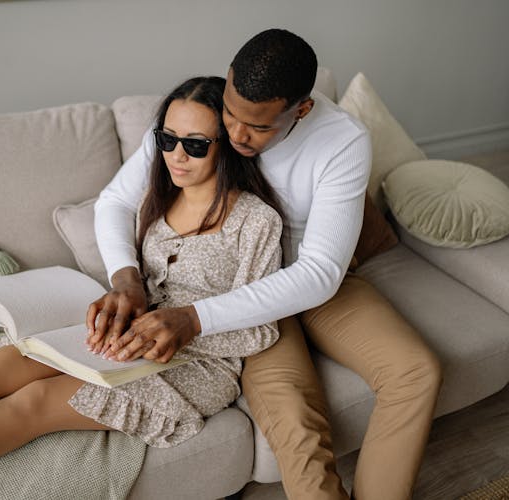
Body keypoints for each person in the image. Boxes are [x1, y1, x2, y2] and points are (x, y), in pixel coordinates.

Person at [0, 76, 285, 484]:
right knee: (7, 364)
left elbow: (263, 325)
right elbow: (141, 277)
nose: (176, 156)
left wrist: (187, 324)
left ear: (228, 146)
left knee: (34, 402)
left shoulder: (256, 221)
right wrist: (120, 303)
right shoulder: (157, 198)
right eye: (167, 140)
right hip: (130, 339)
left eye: (196, 144)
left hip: (200, 363)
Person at [88, 29, 443, 500]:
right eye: (231, 115)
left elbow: (319, 274)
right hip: (235, 286)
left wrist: (195, 319)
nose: (236, 134)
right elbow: (114, 200)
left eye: (258, 127)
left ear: (301, 109)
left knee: (416, 371)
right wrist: (127, 278)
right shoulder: (206, 113)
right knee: (296, 423)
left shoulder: (342, 140)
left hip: (312, 283)